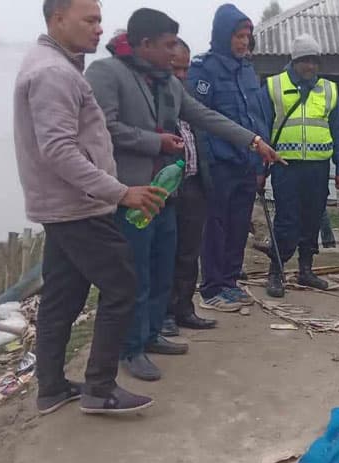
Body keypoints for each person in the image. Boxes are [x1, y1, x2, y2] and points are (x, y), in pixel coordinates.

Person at [87, 10, 274, 382]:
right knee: (136, 273)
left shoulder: (168, 83)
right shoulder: (107, 74)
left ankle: (154, 332)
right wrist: (153, 141)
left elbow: (204, 116)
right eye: (169, 44)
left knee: (162, 267)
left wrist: (253, 141)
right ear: (145, 44)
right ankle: (131, 347)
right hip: (132, 192)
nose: (175, 52)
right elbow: (103, 128)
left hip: (165, 193)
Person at [16, 0, 166, 414]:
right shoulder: (53, 73)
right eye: (90, 20)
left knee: (62, 297)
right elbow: (59, 151)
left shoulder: (53, 64)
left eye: (99, 19)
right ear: (57, 18)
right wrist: (120, 192)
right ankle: (99, 388)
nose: (99, 28)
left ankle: (51, 387)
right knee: (122, 286)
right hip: (78, 206)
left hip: (62, 205)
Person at [188, 3, 275, 312]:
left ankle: (229, 282)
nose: (243, 42)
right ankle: (211, 288)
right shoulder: (204, 70)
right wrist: (208, 161)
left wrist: (259, 162)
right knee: (215, 226)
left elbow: (257, 116)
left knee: (239, 225)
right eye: (238, 36)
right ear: (224, 35)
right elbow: (198, 119)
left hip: (246, 163)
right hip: (218, 164)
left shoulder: (247, 70)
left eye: (247, 36)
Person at [264, 35, 339, 298]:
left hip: (318, 167)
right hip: (285, 166)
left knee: (312, 218)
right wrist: (259, 168)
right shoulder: (273, 86)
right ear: (294, 61)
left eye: (314, 61)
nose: (310, 67)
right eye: (304, 61)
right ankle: (276, 273)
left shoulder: (329, 90)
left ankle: (306, 270)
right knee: (286, 220)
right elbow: (262, 128)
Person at [163, 39, 219, 336]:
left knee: (189, 252)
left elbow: (206, 127)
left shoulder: (186, 96)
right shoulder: (155, 99)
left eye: (186, 68)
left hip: (195, 184)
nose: (183, 75)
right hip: (168, 191)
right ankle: (165, 314)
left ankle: (185, 308)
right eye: (176, 68)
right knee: (166, 255)